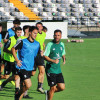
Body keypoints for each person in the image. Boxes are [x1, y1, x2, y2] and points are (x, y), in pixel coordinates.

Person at [12, 26, 41, 100]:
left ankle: (17, 97)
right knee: (28, 85)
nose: (35, 35)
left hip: (30, 67)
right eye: (34, 33)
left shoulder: (37, 44)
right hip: (22, 67)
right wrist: (17, 60)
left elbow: (37, 55)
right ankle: (18, 93)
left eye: (36, 34)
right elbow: (13, 48)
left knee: (23, 86)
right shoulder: (23, 41)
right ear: (30, 33)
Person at [44, 29, 66, 100]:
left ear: (61, 36)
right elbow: (45, 56)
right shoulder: (50, 44)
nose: (56, 37)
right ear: (53, 36)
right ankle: (49, 95)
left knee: (62, 87)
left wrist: (64, 59)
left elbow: (63, 53)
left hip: (58, 70)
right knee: (53, 88)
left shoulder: (62, 44)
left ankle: (48, 92)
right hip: (50, 70)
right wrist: (53, 60)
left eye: (58, 35)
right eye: (55, 35)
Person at [32, 22, 46, 93]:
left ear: (42, 27)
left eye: (39, 26)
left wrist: (43, 49)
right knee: (32, 73)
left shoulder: (44, 34)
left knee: (42, 71)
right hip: (33, 54)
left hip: (40, 55)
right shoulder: (34, 34)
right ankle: (22, 83)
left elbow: (42, 42)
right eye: (37, 26)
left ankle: (40, 86)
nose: (38, 28)